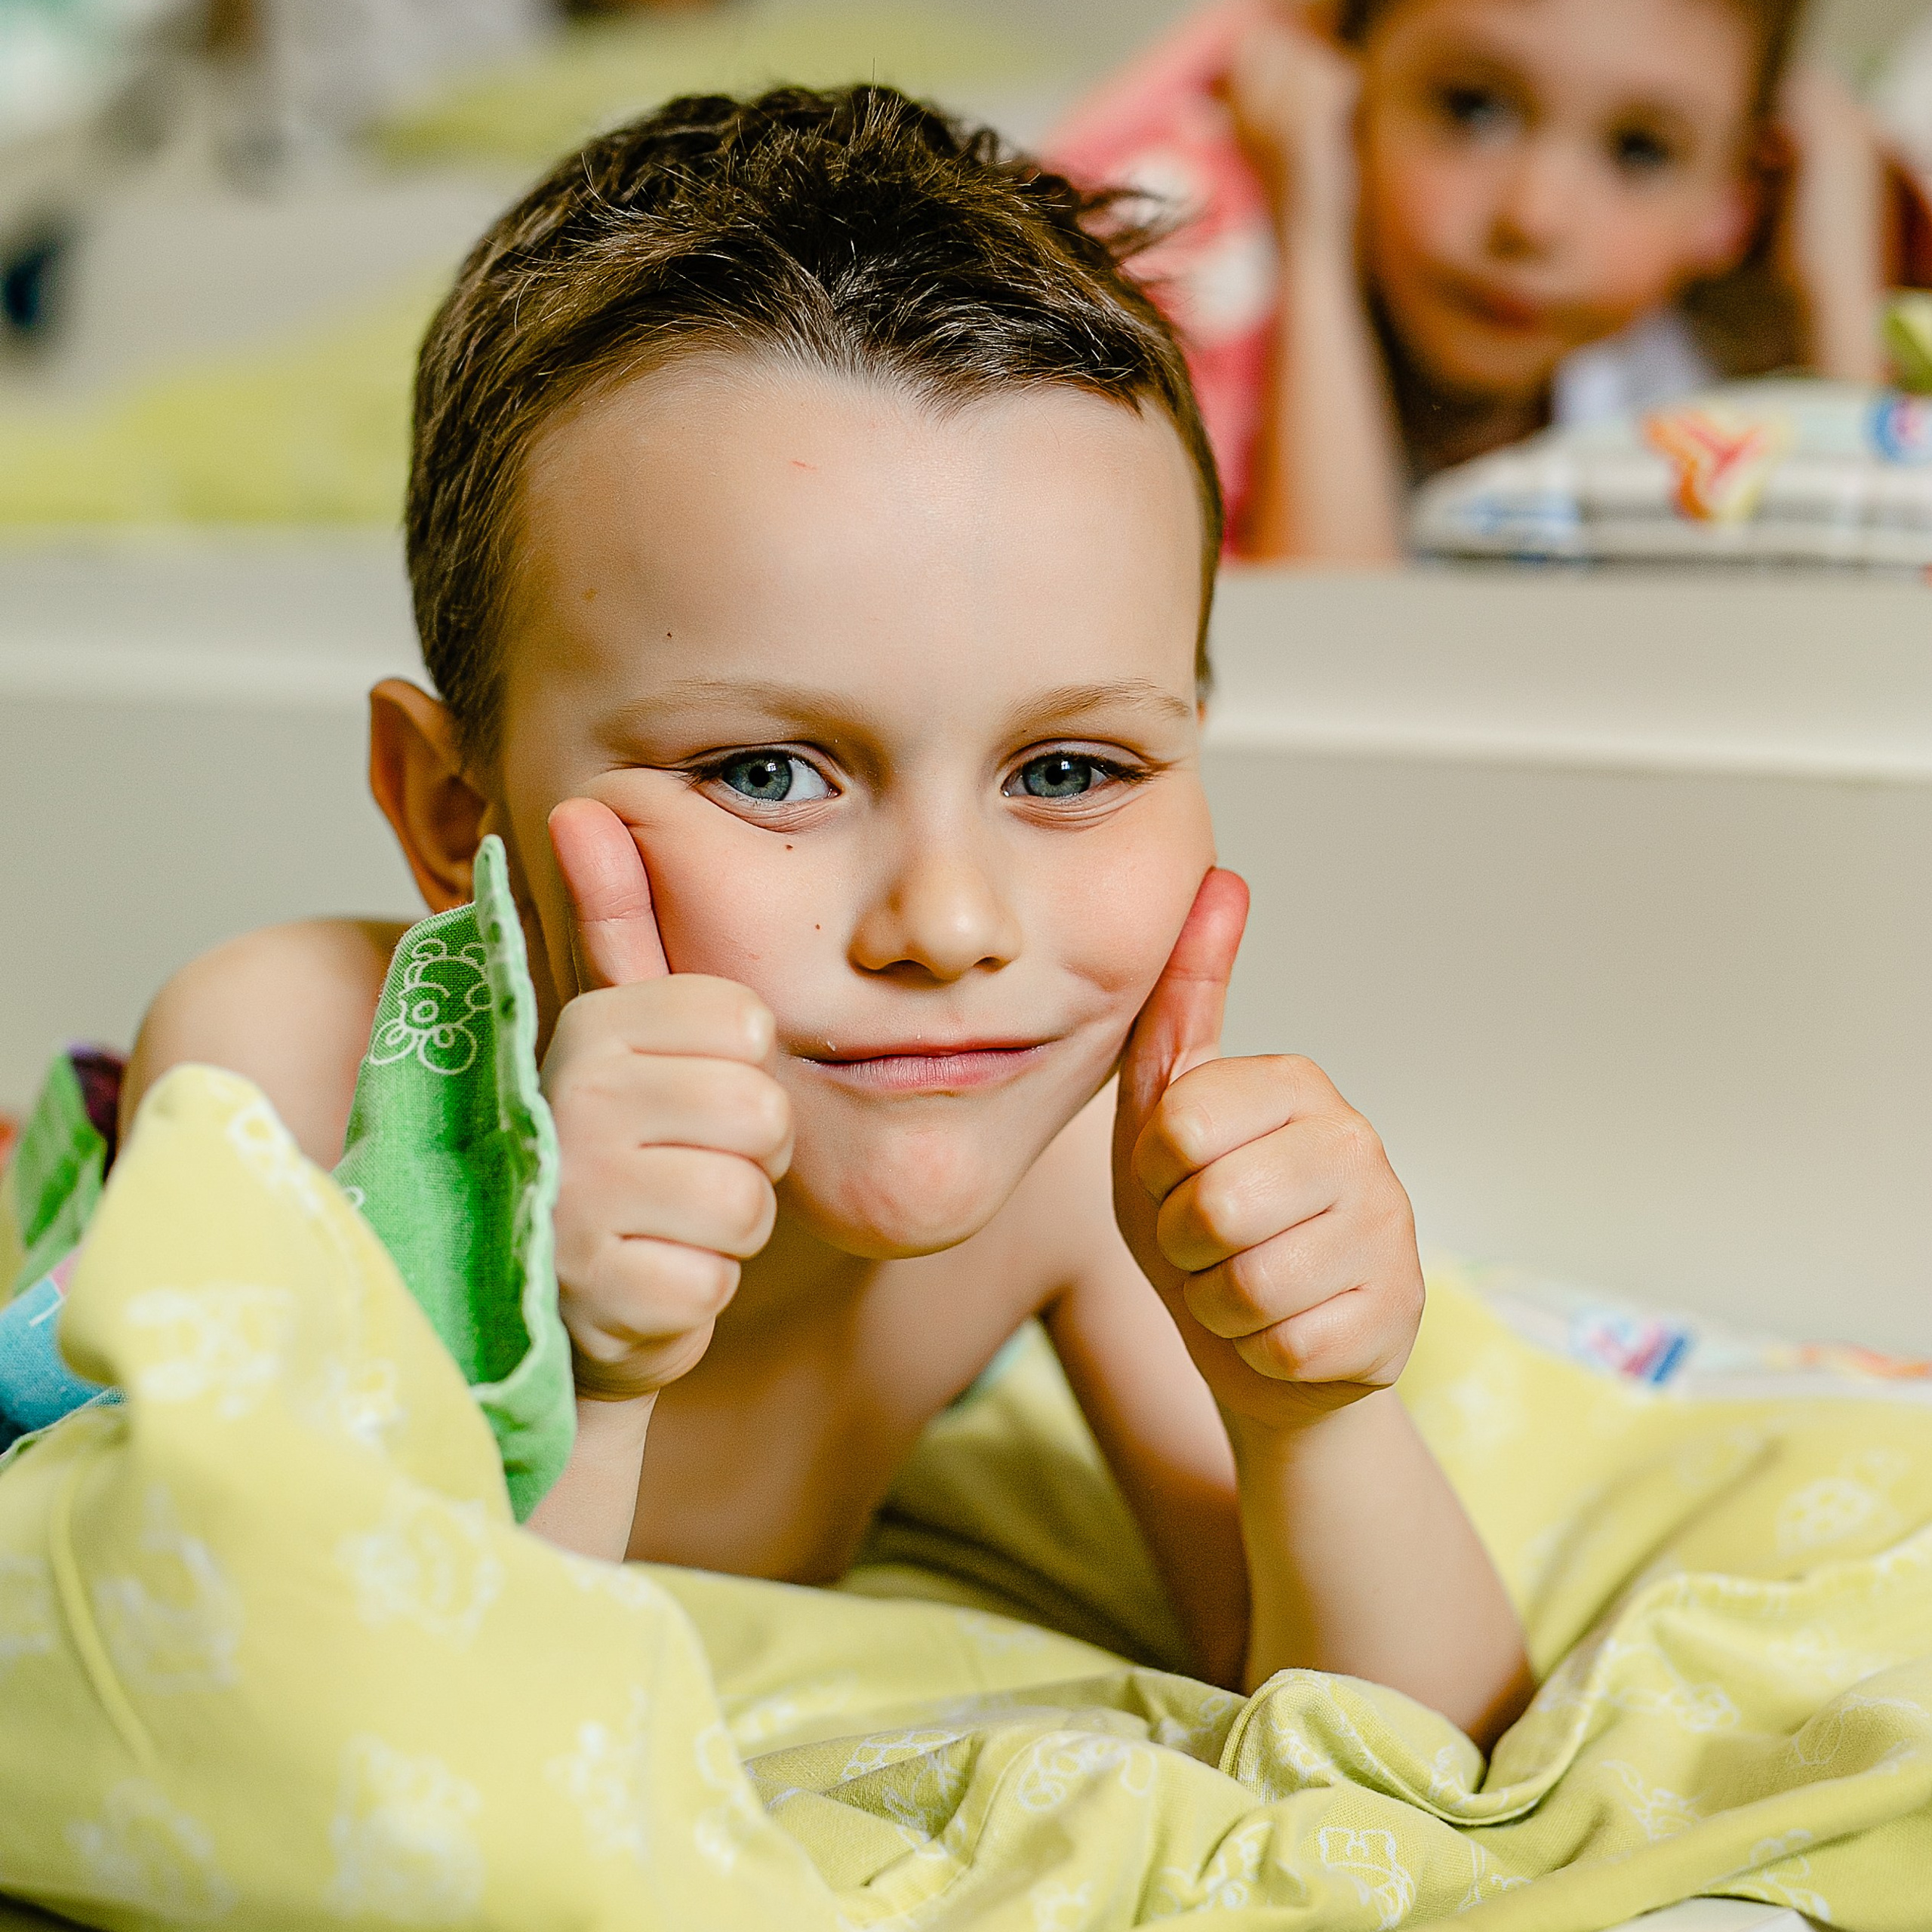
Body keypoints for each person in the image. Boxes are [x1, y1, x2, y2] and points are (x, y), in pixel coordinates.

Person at [121, 87, 1533, 1743]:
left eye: (1068, 765)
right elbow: (327, 1767)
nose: (944, 923)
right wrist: (573, 1370)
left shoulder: (1080, 1171)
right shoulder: (280, 1074)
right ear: (453, 809)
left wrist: (1308, 1412)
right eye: (770, 772)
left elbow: (1422, 1744)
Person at [1223, 0, 1891, 558]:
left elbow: (1866, 587)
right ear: (1339, 86)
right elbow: (1336, 654)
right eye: (1472, 108)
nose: (1532, 219)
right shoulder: (1230, 337)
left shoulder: (1682, 407)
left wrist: (1836, 282)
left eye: (1640, 150)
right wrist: (1311, 229)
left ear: (1734, 204)